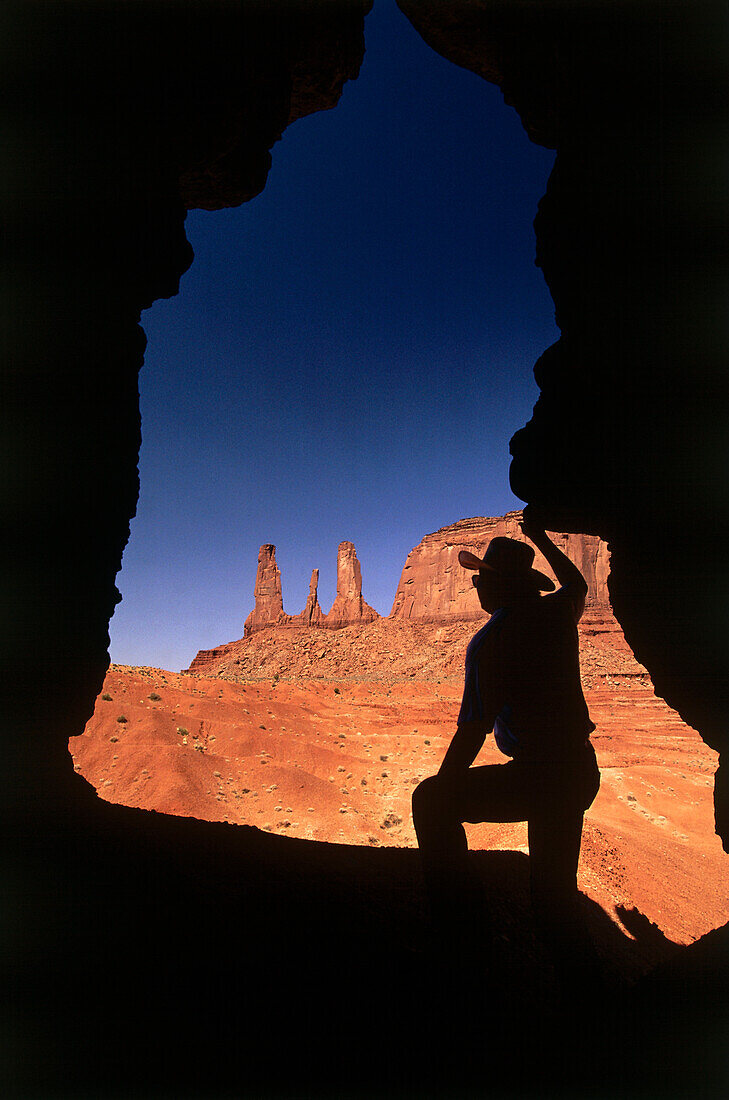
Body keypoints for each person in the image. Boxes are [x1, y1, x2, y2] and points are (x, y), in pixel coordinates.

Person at [412, 505, 601, 987]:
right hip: (578, 769)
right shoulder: (557, 616)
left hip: (538, 776)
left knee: (429, 802)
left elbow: (471, 731)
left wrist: (444, 787)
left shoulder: (491, 640)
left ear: (499, 585)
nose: (476, 585)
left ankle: (464, 939)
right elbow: (578, 586)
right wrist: (542, 537)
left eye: (483, 577)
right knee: (554, 895)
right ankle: (597, 1000)